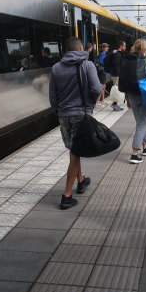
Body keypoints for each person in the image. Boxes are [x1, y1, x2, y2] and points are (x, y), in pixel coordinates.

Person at [49, 37, 101, 209]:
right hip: (80, 113)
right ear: (80, 48)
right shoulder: (87, 65)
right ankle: (66, 196)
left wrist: (59, 111)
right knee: (75, 153)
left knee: (74, 150)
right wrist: (90, 104)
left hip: (63, 115)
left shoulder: (56, 67)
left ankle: (81, 181)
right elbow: (97, 89)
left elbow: (53, 96)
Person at [118, 38, 146, 164]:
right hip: (145, 96)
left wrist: (127, 98)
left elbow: (125, 80)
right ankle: (134, 154)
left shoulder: (126, 60)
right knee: (142, 124)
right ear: (145, 49)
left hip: (132, 95)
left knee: (140, 122)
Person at [108, 40, 127, 111]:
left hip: (117, 74)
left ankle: (115, 104)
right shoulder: (117, 54)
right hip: (116, 75)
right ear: (121, 46)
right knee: (116, 90)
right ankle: (114, 104)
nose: (125, 47)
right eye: (124, 46)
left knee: (117, 89)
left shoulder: (119, 53)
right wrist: (118, 75)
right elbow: (116, 65)